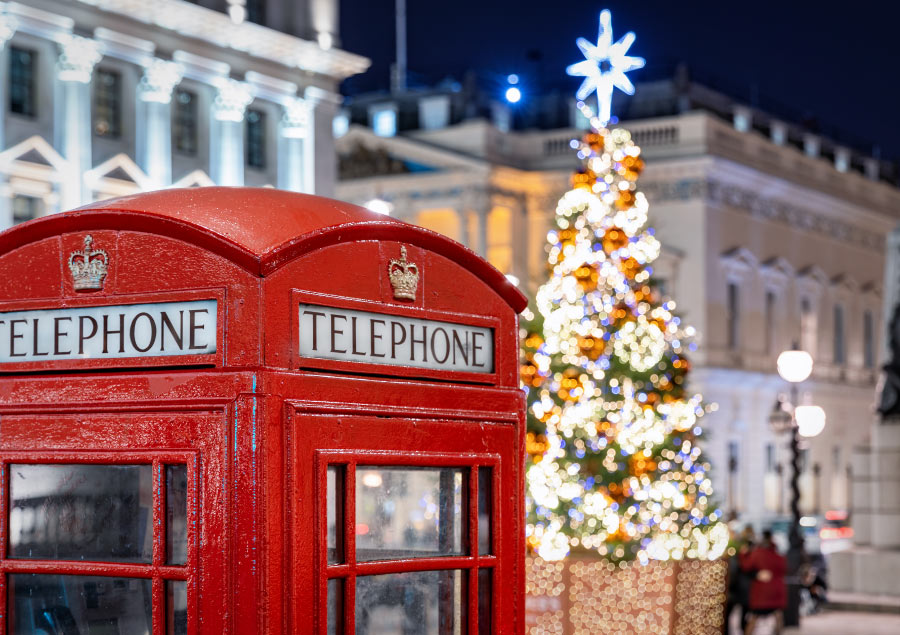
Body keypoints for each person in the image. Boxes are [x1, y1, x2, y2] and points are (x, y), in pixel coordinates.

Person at [740, 529, 787, 635]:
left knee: (754, 617)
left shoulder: (758, 553)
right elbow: (784, 569)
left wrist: (743, 554)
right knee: (778, 616)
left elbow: (746, 566)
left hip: (762, 593)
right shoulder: (777, 553)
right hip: (777, 591)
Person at [725, 525, 755, 634]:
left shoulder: (735, 553)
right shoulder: (748, 551)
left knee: (733, 616)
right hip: (743, 588)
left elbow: (735, 571)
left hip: (738, 589)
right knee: (743, 616)